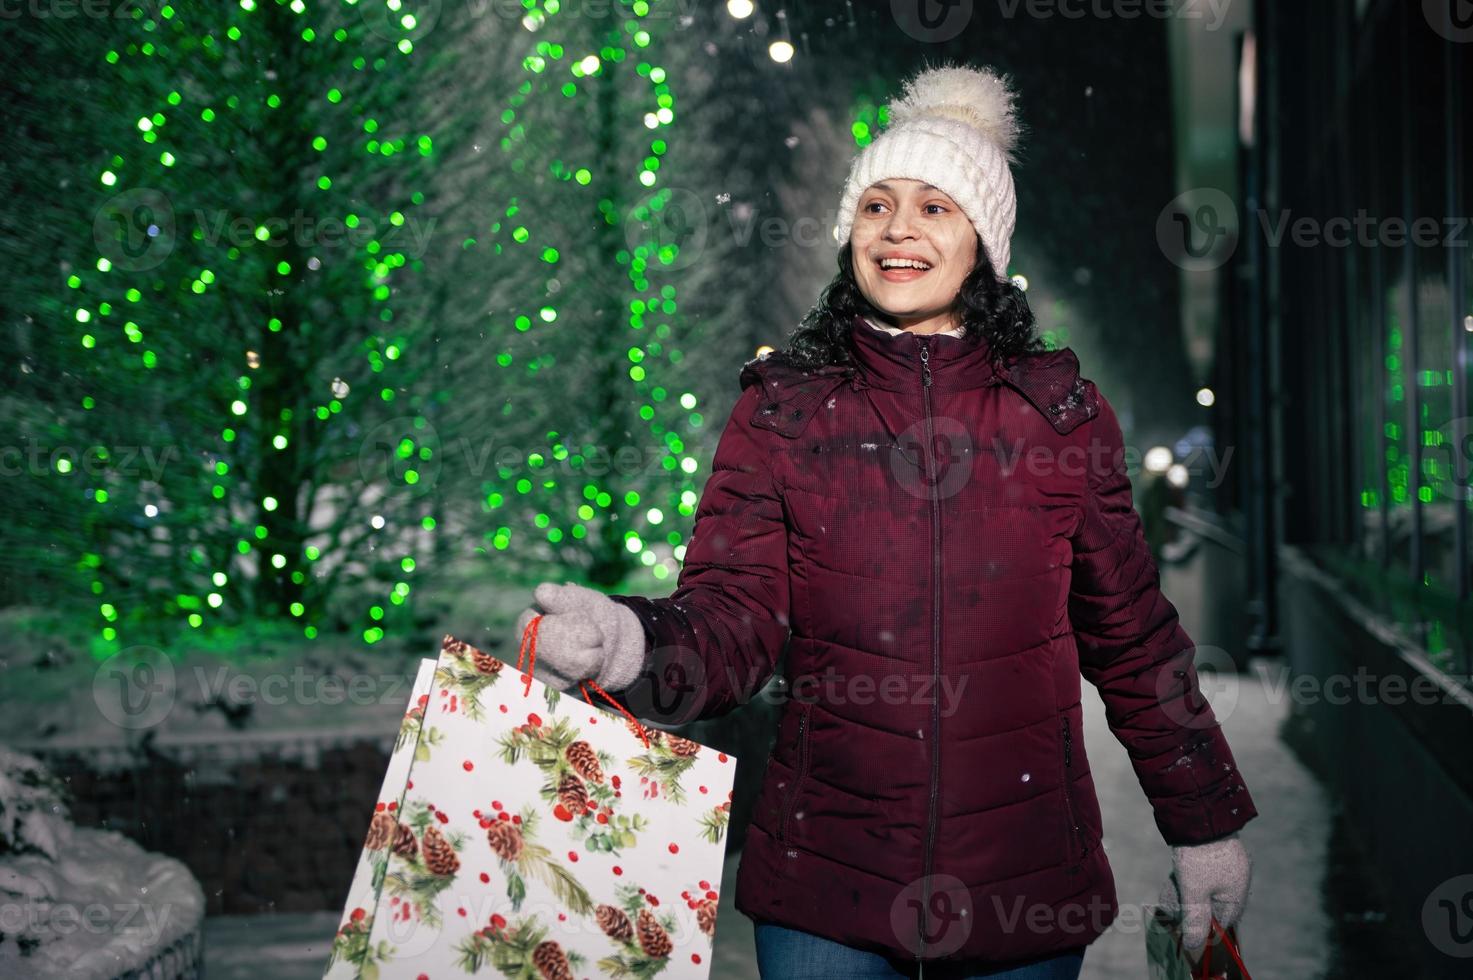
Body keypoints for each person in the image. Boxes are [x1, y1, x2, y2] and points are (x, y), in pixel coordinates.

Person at [514, 62, 1256, 980]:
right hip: (826, 895)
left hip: (1021, 896)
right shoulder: (782, 411)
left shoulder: (1059, 415)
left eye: (934, 207)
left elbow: (1134, 643)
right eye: (875, 205)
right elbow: (733, 623)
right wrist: (627, 642)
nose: (898, 227)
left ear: (983, 239)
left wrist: (1206, 822)